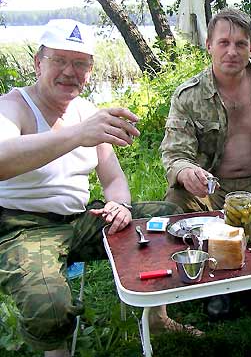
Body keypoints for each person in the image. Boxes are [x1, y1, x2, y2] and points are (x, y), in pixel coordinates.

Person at [0, 19, 188, 357]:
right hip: (23, 227)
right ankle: (57, 352)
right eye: (59, 60)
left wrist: (120, 206)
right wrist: (76, 135)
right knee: (49, 307)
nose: (69, 72)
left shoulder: (87, 112)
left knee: (167, 219)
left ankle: (157, 316)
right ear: (37, 62)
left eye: (80, 63)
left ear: (90, 70)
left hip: (81, 219)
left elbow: (114, 180)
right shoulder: (14, 106)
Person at [160, 7, 251, 318]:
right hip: (213, 187)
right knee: (176, 199)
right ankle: (210, 279)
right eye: (223, 43)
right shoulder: (189, 96)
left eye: (240, 44)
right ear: (208, 45)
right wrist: (185, 171)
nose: (232, 52)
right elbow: (174, 154)